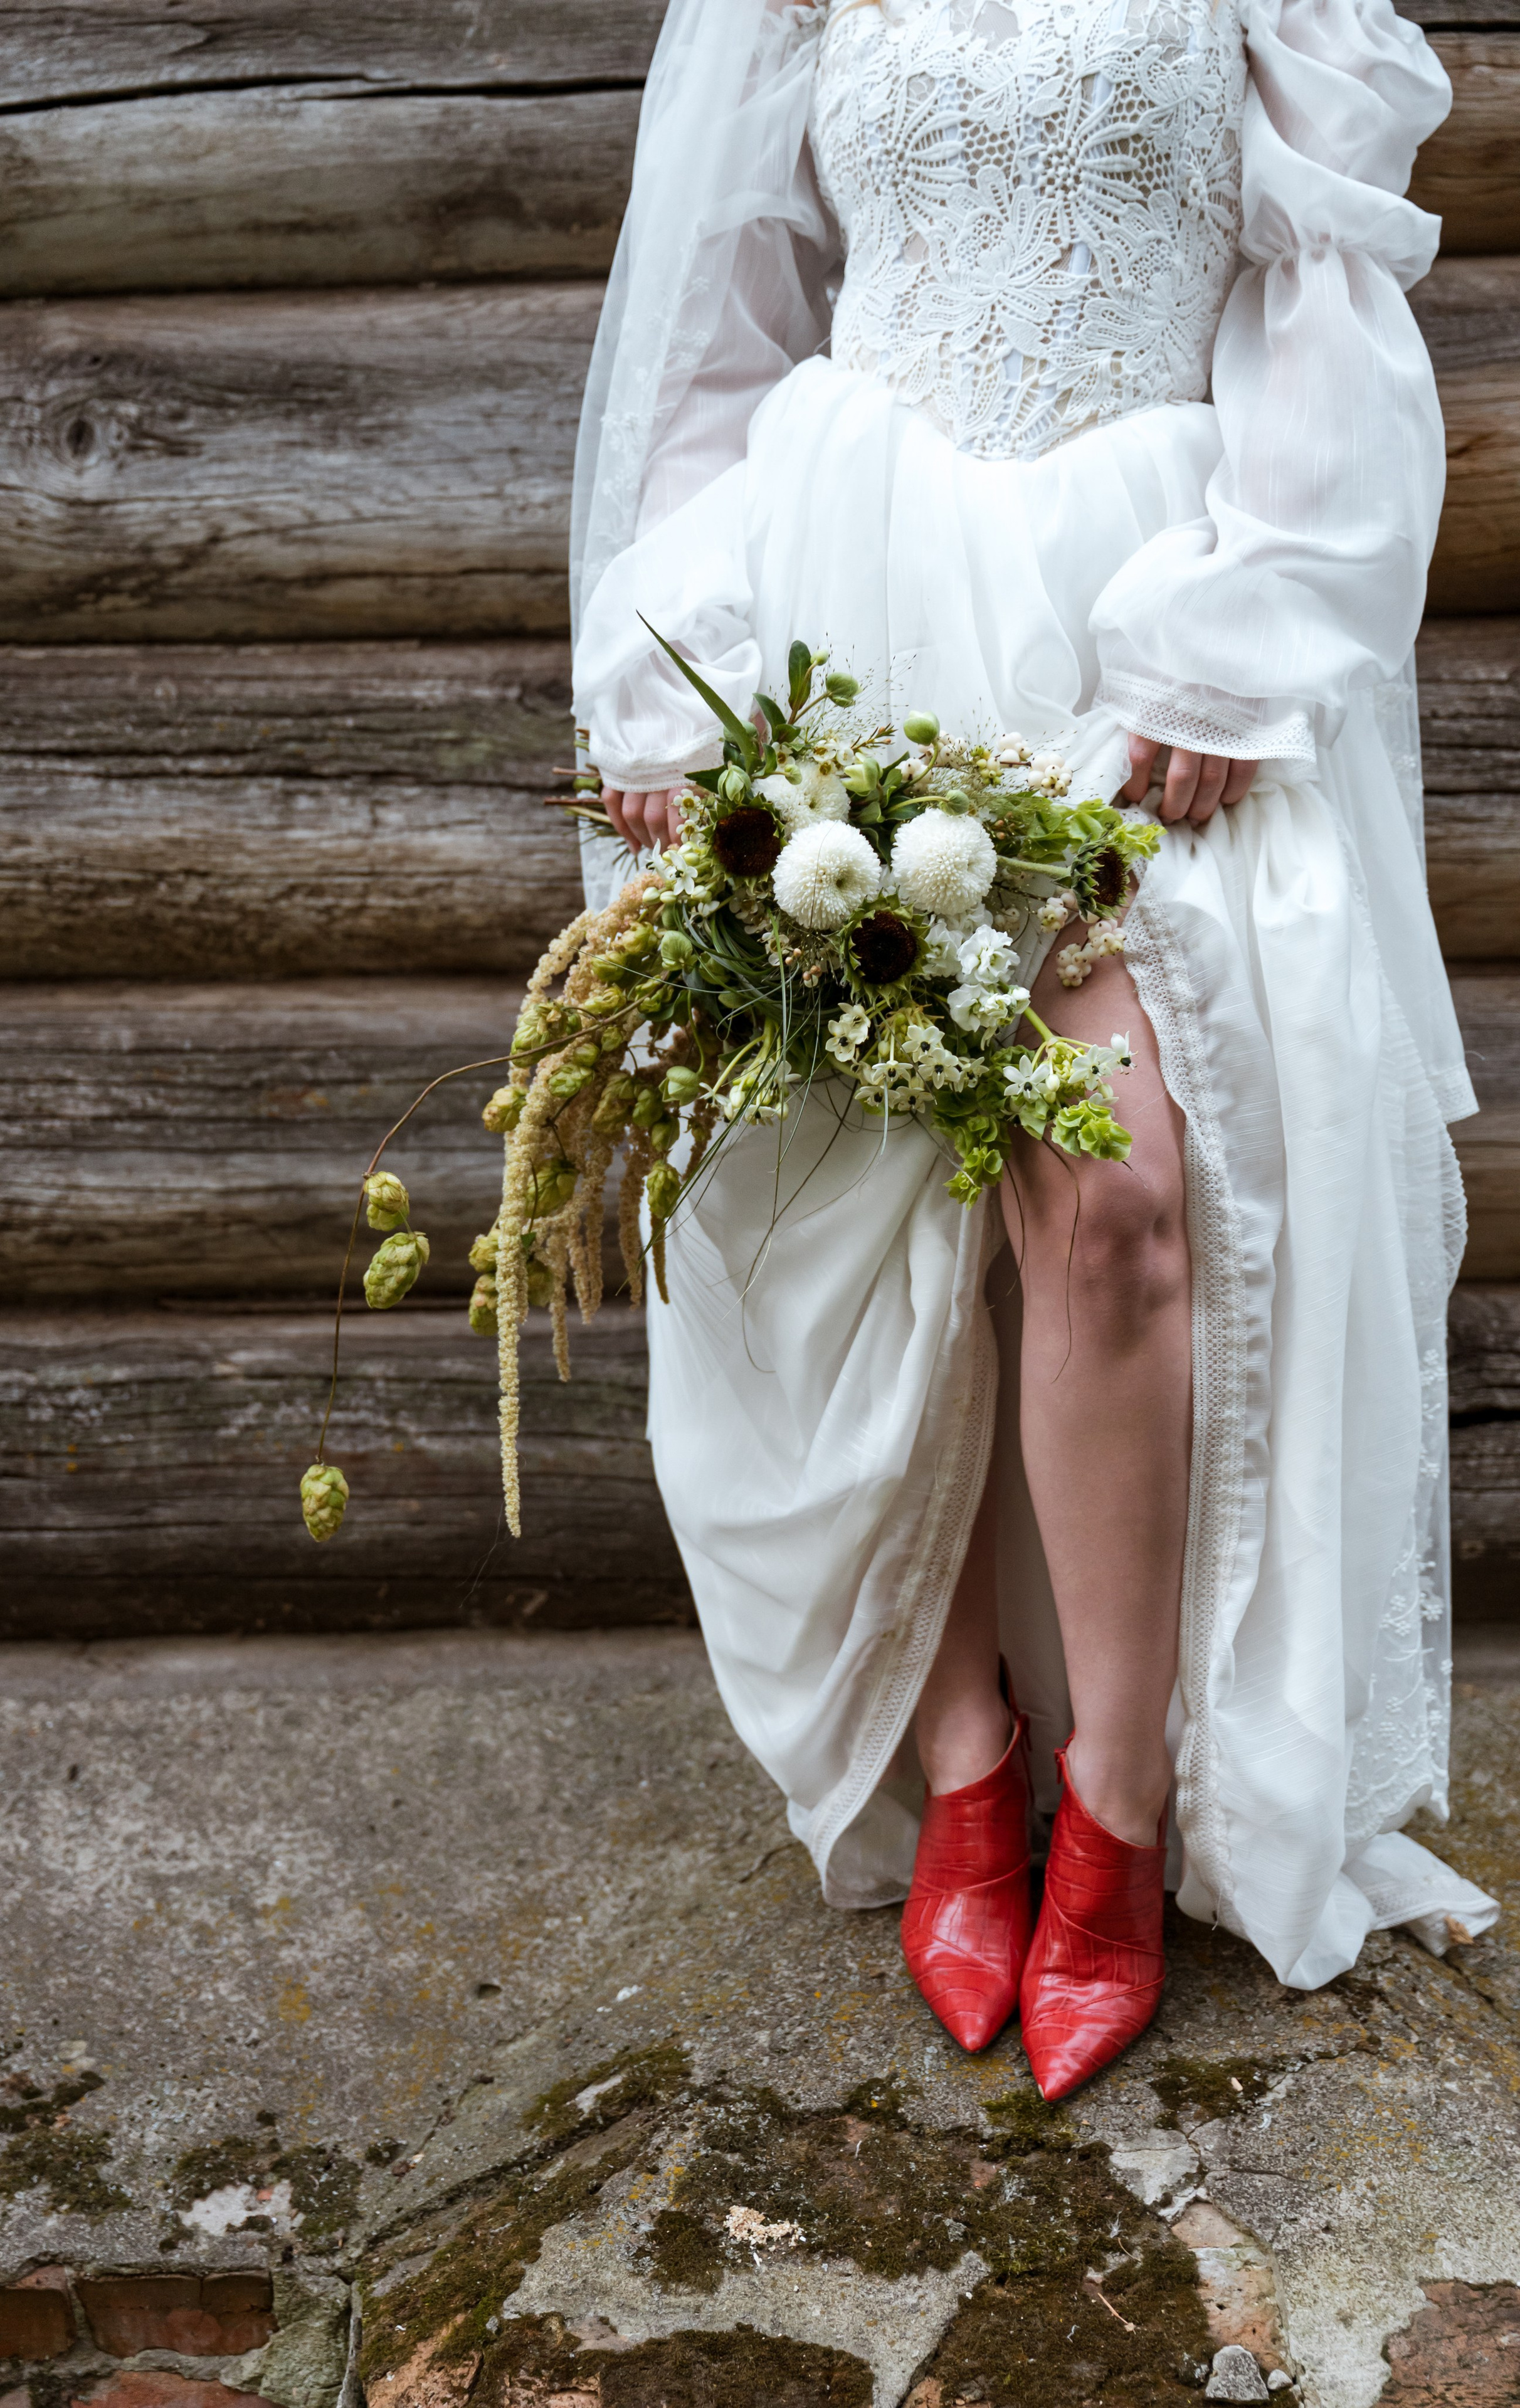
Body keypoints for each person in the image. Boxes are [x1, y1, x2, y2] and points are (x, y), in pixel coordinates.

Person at [567, 0, 1499, 2097]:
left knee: (1122, 1211)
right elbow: (714, 318)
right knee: (869, 1215)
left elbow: (1321, 293)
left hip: (1137, 617)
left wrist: (1258, 610)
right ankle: (966, 1760)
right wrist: (665, 658)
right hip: (846, 600)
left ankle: (1127, 1809)